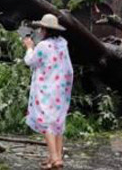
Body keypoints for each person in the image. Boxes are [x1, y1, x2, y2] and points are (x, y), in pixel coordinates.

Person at [23, 14, 73, 169]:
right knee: (58, 122)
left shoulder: (43, 46)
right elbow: (68, 68)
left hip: (46, 88)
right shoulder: (62, 44)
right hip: (61, 88)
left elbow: (30, 61)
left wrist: (29, 47)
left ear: (44, 29)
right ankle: (55, 157)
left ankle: (55, 158)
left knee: (46, 123)